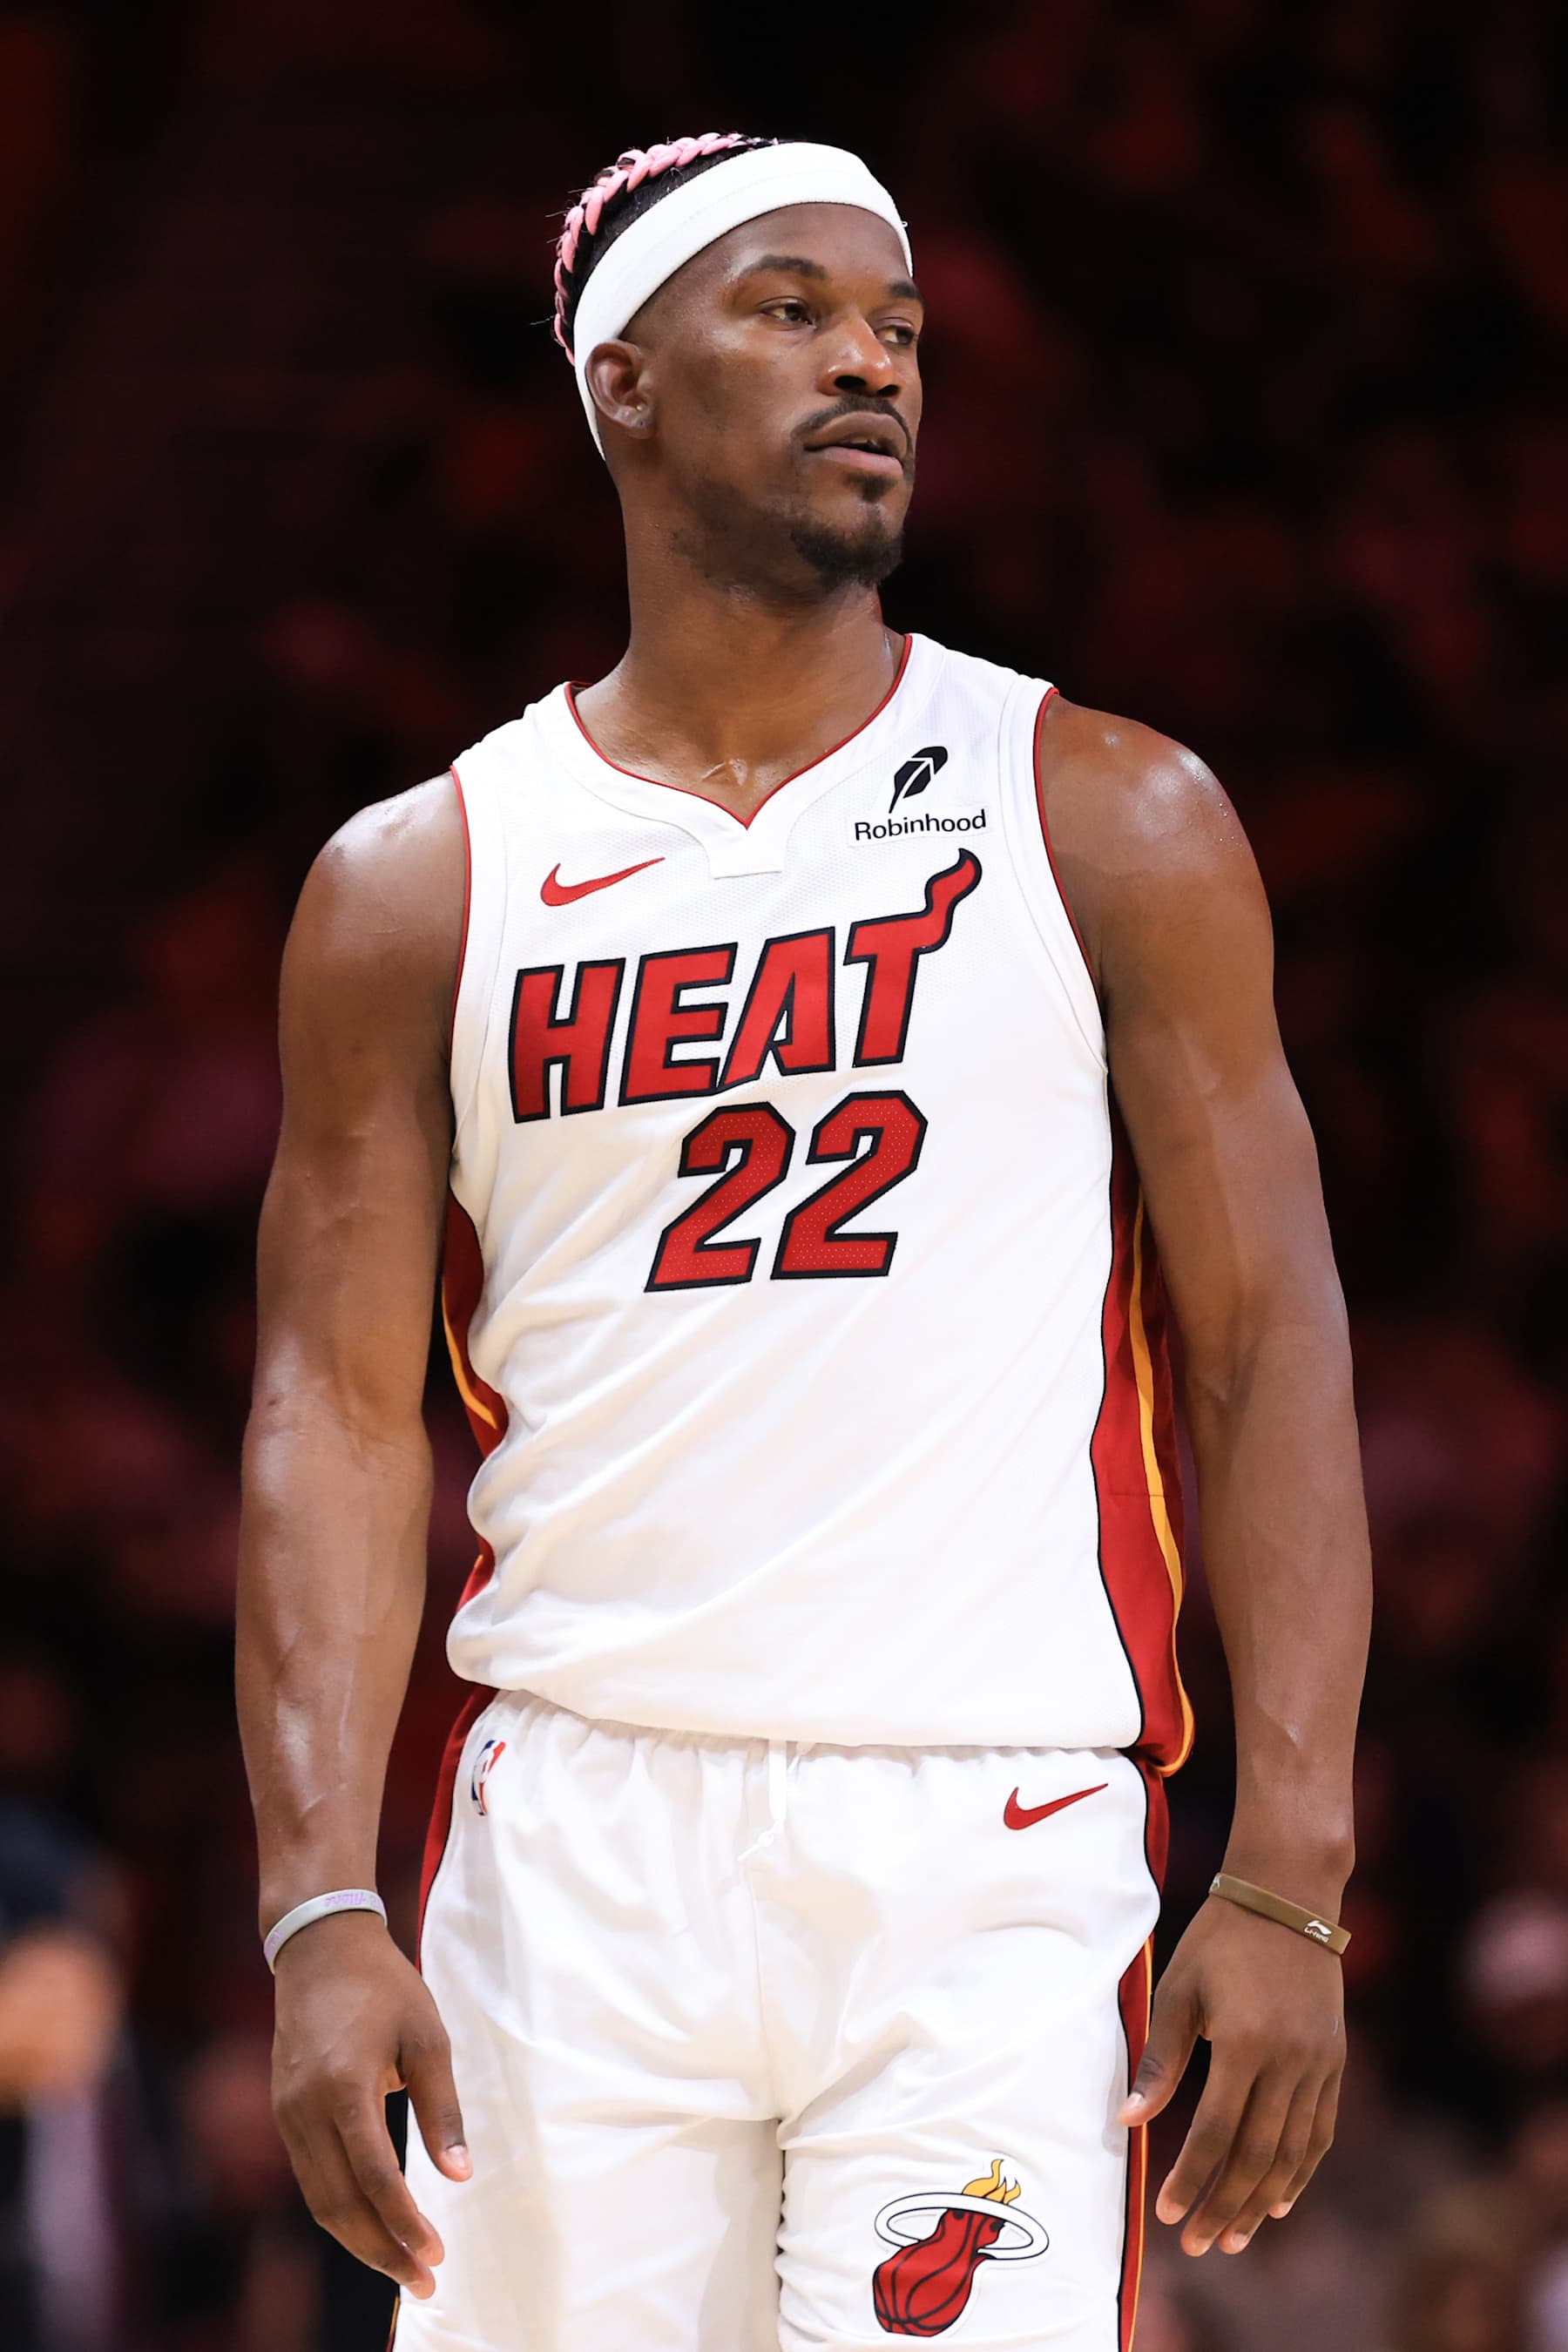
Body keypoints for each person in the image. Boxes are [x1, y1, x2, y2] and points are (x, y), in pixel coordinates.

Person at [236, 132, 1371, 2351]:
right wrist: (309, 1910)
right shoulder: (422, 878)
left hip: (985, 1832)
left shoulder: (1108, 812)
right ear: (625, 386)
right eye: (791, 310)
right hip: (574, 1833)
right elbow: (335, 1410)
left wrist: (1296, 1874)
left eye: (900, 329)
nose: (872, 361)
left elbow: (1267, 1349)